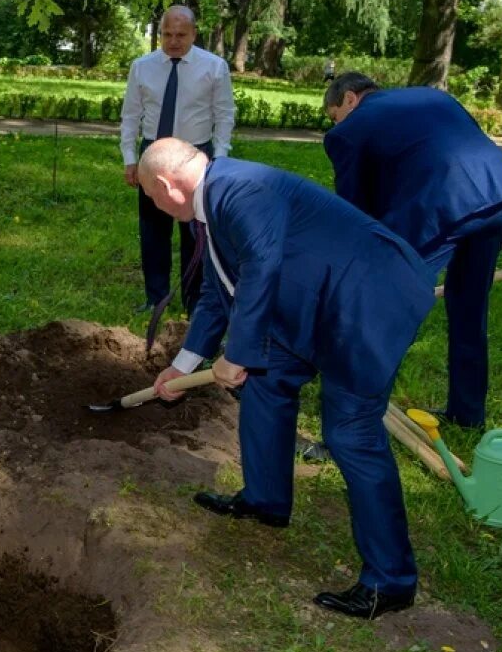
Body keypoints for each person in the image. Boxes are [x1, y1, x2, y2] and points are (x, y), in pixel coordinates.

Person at [141, 138, 433, 620]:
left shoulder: (239, 190)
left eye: (151, 197)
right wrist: (185, 364)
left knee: (351, 433)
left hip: (366, 306)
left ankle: (391, 580)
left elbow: (260, 266)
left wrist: (238, 354)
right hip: (317, 306)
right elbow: (219, 290)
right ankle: (266, 498)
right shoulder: (213, 204)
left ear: (167, 186)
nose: (154, 206)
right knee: (265, 384)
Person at [323, 73, 502, 430]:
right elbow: (476, 156)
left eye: (334, 116)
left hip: (441, 212)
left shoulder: (351, 128)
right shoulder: (433, 97)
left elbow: (355, 213)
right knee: (469, 313)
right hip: (499, 202)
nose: (336, 125)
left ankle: (356, 426)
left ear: (349, 99)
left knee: (385, 317)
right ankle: (467, 416)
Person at [120, 5, 235, 315]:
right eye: (167, 34)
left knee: (196, 233)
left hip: (195, 156)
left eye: (181, 35)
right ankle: (154, 297)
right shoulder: (142, 67)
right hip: (153, 154)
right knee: (153, 229)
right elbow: (130, 115)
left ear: (194, 34)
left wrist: (220, 160)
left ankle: (194, 299)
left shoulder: (214, 67)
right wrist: (130, 158)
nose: (173, 41)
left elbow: (224, 115)